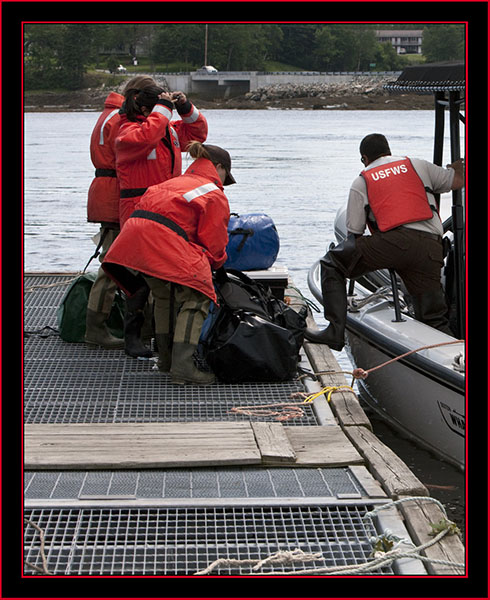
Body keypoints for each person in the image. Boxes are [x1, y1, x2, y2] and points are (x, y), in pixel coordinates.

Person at [305, 133, 465, 350]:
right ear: (388, 150)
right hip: (430, 247)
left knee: (333, 264)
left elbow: (354, 233)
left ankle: (334, 332)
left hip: (394, 244)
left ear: (364, 158)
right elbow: (457, 180)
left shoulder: (362, 180)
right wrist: (456, 167)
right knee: (433, 318)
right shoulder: (416, 165)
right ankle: (457, 357)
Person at [103, 141, 235, 385]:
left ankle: (165, 360)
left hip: (133, 241)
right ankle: (183, 366)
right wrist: (218, 267)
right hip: (162, 240)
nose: (224, 182)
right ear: (218, 167)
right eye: (225, 175)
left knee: (164, 295)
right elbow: (213, 242)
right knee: (197, 296)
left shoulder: (173, 182)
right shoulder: (213, 193)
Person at [114, 76, 209, 358]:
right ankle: (133, 336)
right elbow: (145, 138)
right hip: (137, 210)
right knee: (138, 278)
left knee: (161, 278)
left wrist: (184, 107)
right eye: (158, 107)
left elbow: (198, 134)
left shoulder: (164, 130)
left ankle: (155, 337)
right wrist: (162, 110)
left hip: (165, 211)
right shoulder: (126, 132)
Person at [84, 88, 125, 349]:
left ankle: (96, 326)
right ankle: (96, 329)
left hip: (103, 189)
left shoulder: (107, 114)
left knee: (111, 261)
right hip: (114, 193)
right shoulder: (120, 119)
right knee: (113, 264)